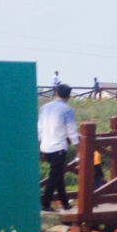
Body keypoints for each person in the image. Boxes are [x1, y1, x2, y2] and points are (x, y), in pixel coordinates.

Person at [38, 83, 77, 211]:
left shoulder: (45, 107)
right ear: (69, 96)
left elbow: (40, 128)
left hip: (45, 146)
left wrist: (39, 146)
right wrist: (79, 149)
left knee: (58, 175)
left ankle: (65, 203)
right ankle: (45, 203)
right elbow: (72, 132)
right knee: (54, 176)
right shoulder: (67, 110)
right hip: (58, 147)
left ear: (56, 93)